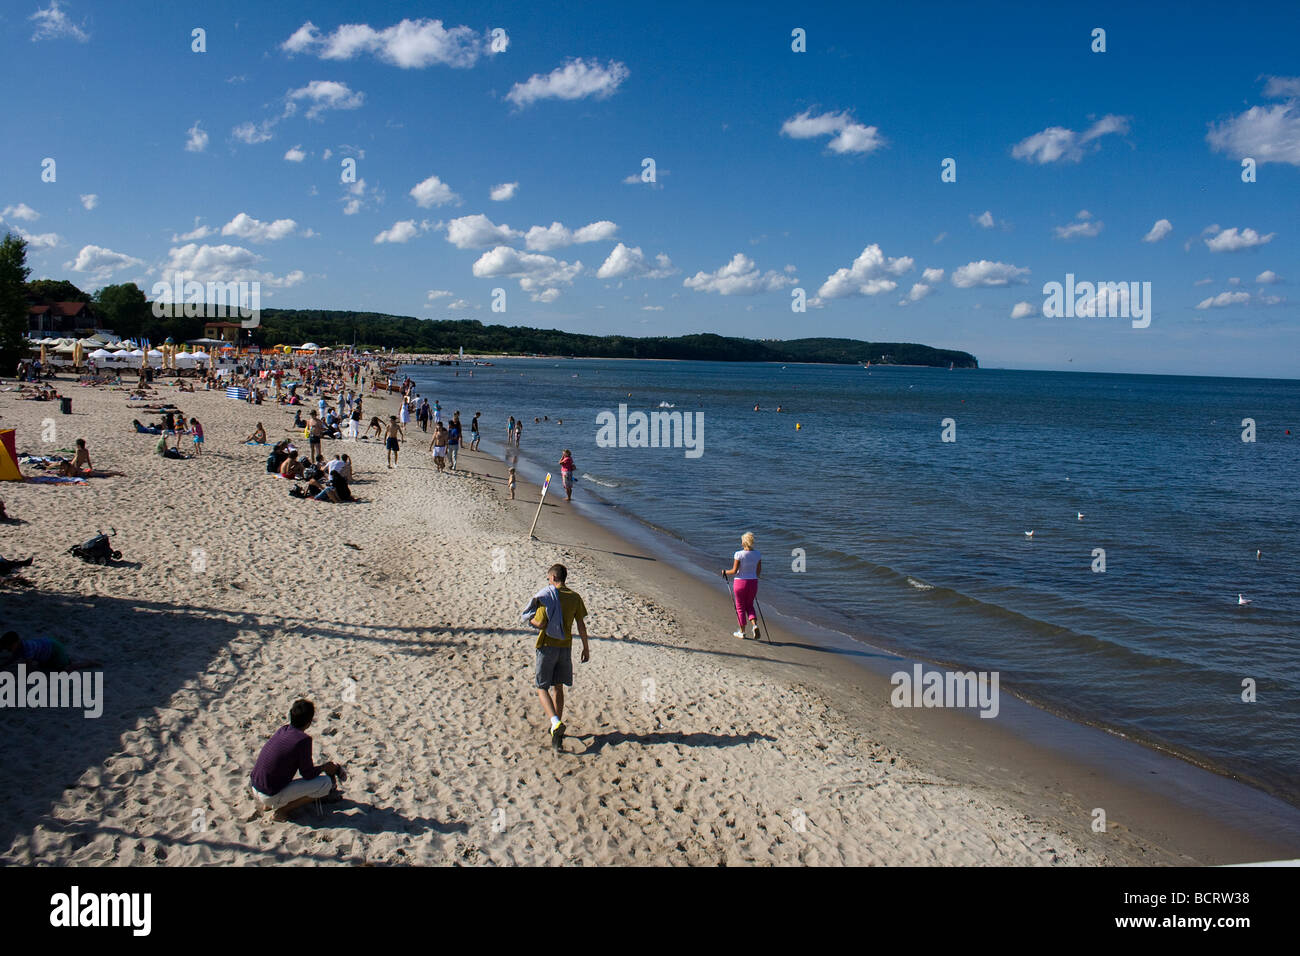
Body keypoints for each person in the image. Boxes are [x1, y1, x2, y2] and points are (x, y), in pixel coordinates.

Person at [519, 564, 590, 751]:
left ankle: (555, 722)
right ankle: (556, 734)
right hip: (565, 647)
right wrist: (586, 647)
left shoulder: (548, 596)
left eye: (548, 578)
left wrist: (529, 619)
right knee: (558, 687)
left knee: (542, 687)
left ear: (552, 577)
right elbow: (581, 624)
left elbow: (541, 623)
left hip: (547, 646)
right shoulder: (574, 597)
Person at [249, 699, 345, 822]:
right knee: (325, 783)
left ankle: (268, 804)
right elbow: (307, 773)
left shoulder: (283, 730)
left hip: (255, 785)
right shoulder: (303, 740)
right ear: (309, 722)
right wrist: (324, 768)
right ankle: (282, 810)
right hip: (269, 794)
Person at [722, 532, 763, 640]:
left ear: (743, 542)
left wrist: (725, 572)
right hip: (753, 582)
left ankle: (742, 631)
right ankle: (755, 626)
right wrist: (754, 577)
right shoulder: (758, 554)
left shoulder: (738, 554)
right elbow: (758, 571)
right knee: (750, 605)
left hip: (740, 583)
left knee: (740, 607)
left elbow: (734, 571)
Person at [1, 631, 71, 670]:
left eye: (10, 647)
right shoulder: (19, 646)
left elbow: (28, 666)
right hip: (49, 646)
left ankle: (79, 664)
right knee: (43, 666)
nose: (8, 650)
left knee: (64, 668)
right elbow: (13, 659)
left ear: (17, 642)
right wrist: (3, 665)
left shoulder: (27, 648)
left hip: (55, 649)